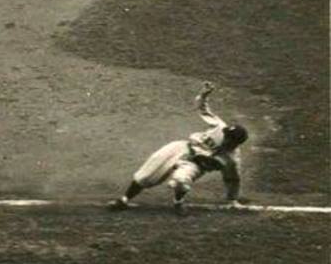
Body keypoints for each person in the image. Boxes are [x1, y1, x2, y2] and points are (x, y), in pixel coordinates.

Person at [107, 82, 249, 215]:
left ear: (235, 143)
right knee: (147, 173)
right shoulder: (220, 127)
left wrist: (232, 200)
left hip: (194, 166)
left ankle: (178, 202)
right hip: (182, 148)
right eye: (226, 135)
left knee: (181, 180)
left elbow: (233, 180)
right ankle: (124, 200)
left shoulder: (231, 159)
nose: (225, 137)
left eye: (229, 138)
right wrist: (204, 95)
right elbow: (203, 110)